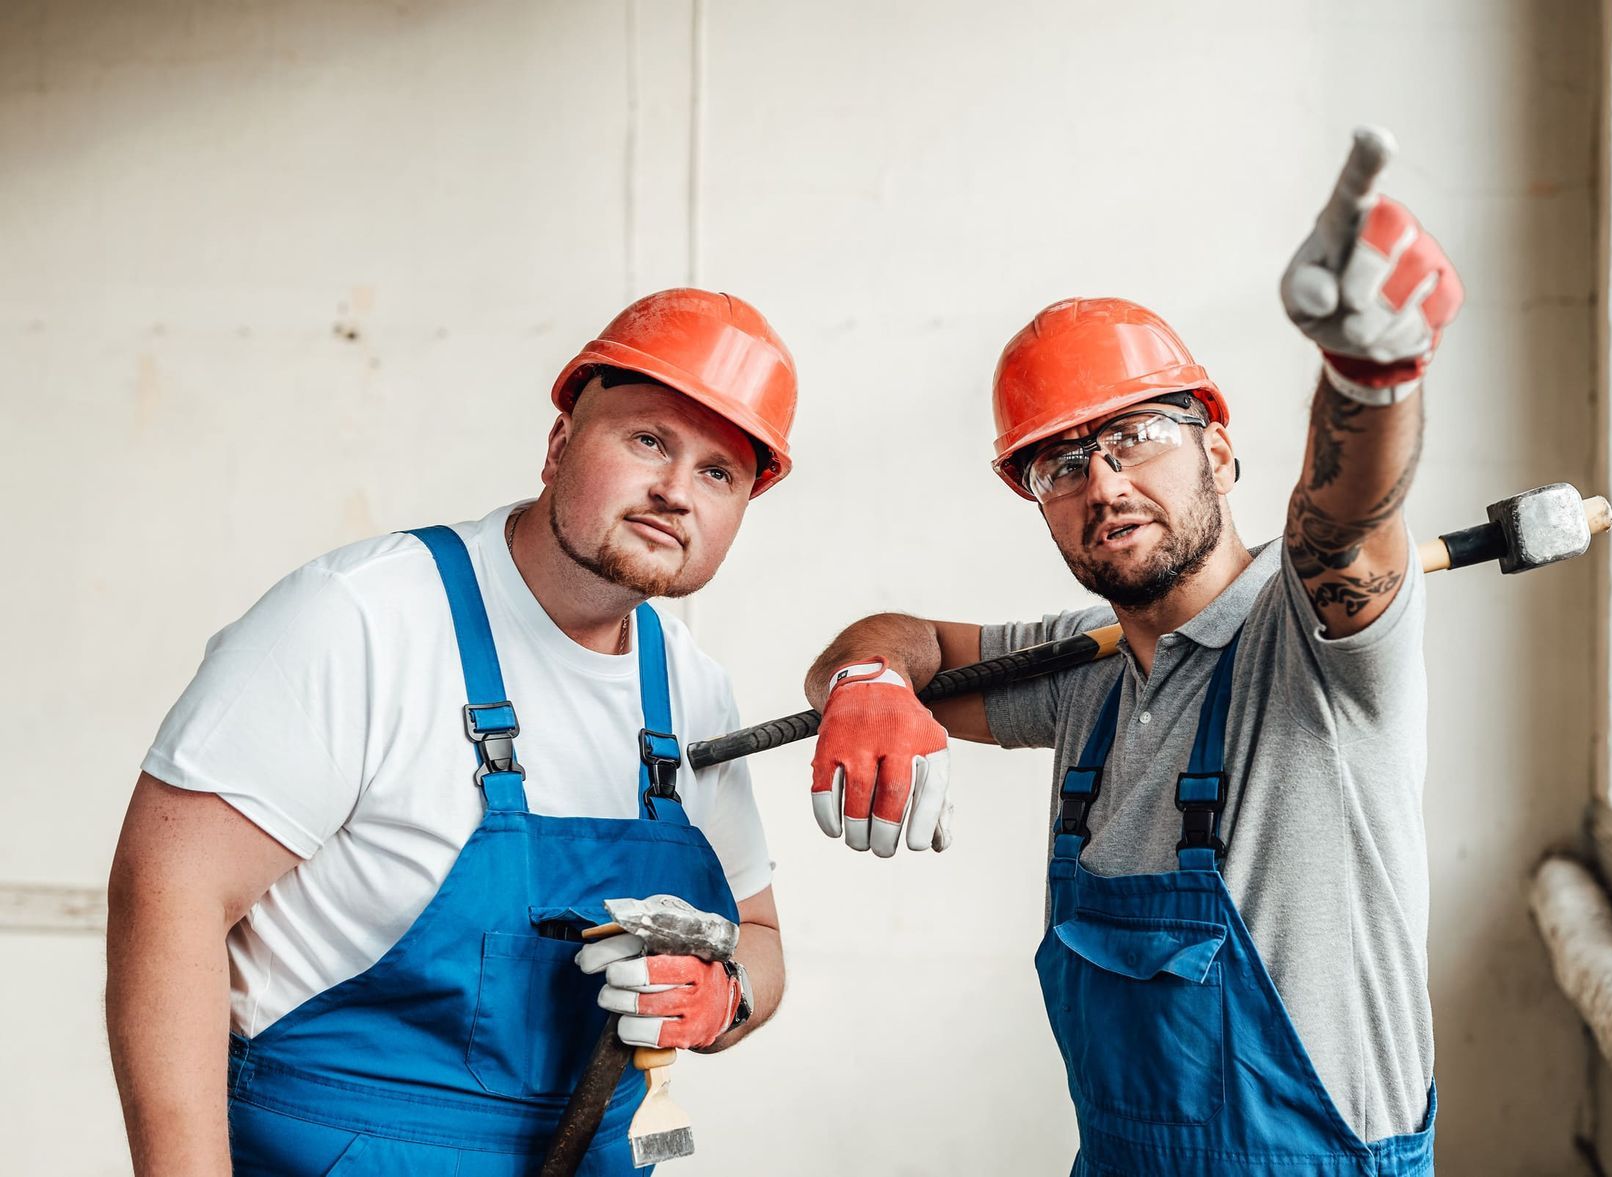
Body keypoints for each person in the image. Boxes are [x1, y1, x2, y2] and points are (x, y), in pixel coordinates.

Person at [803, 129, 1462, 1175]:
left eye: (1136, 437)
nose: (1102, 483)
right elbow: (900, 638)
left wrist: (1368, 377)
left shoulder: (1312, 643)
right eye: (1060, 464)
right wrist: (867, 680)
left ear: (1220, 450)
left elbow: (1343, 524)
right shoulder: (1084, 669)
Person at [107, 288, 794, 1175]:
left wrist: (724, 994)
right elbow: (168, 895)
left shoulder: (690, 690)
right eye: (648, 440)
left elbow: (760, 935)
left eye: (719, 473)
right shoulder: (362, 618)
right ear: (559, 444)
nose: (675, 491)